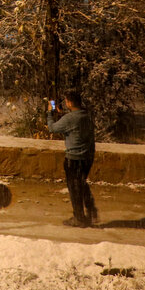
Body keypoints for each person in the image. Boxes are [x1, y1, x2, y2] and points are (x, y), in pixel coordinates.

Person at [47, 90, 98, 227]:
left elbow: (52, 128)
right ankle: (90, 210)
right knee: (81, 183)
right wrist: (63, 115)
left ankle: (79, 218)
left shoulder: (69, 119)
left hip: (74, 158)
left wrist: (50, 113)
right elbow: (74, 123)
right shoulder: (86, 115)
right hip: (87, 157)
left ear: (69, 102)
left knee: (74, 188)